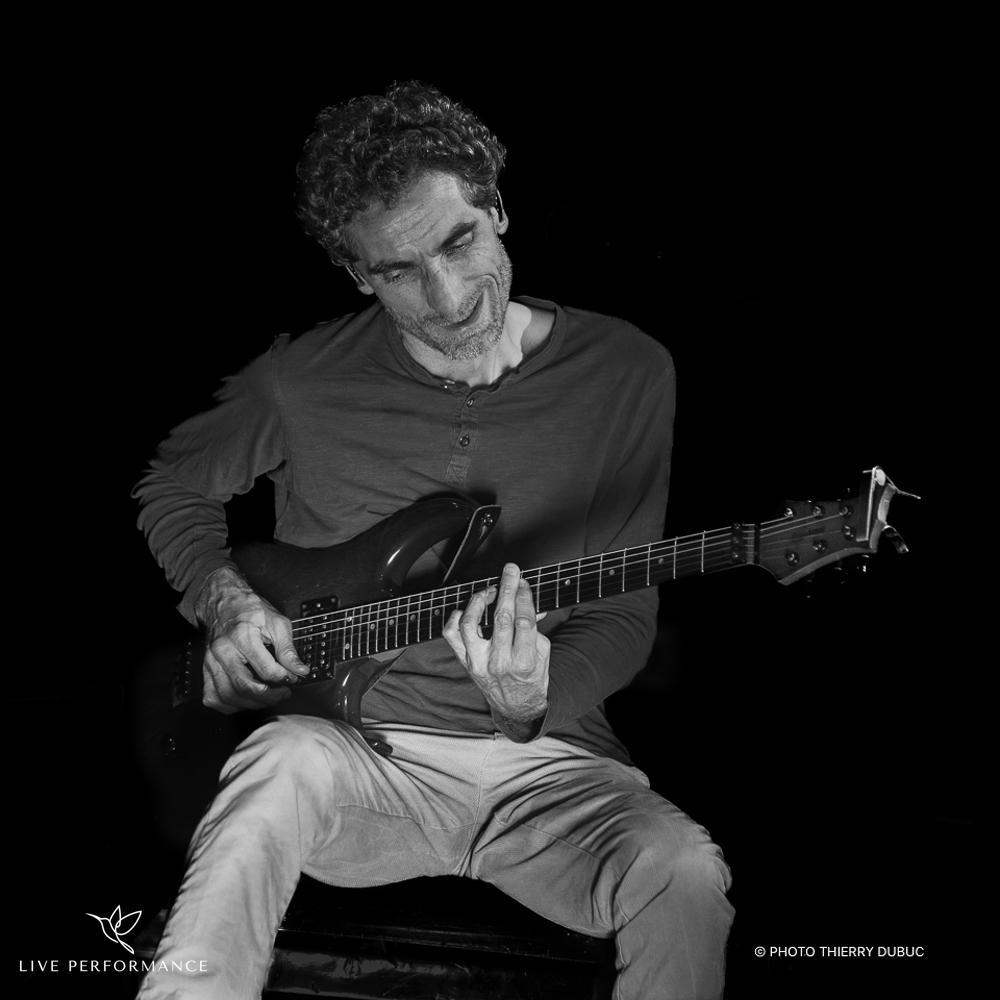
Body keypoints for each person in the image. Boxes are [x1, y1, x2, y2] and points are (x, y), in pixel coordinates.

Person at [133, 80, 733, 999]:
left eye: (460, 242)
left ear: (498, 210)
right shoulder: (298, 379)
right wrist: (225, 601)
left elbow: (621, 613)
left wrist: (532, 701)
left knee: (682, 873)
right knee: (274, 762)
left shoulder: (628, 371)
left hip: (551, 769)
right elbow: (171, 484)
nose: (448, 299)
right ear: (356, 274)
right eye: (398, 272)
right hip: (356, 757)